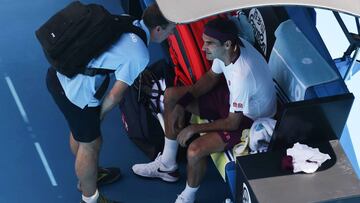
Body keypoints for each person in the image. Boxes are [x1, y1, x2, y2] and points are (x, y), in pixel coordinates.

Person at [132, 18, 277, 203]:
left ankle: (187, 197)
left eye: (209, 43)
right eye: (203, 41)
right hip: (231, 100)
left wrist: (194, 128)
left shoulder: (243, 75)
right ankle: (167, 165)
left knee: (195, 150)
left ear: (227, 45)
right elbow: (210, 78)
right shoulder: (227, 51)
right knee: (171, 96)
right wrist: (182, 103)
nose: (203, 48)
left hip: (247, 120)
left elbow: (233, 123)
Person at [46, 3, 175, 203]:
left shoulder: (127, 19)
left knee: (80, 130)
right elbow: (115, 95)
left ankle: (90, 174)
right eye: (171, 30)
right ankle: (90, 197)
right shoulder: (140, 53)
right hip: (75, 91)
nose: (172, 35)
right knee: (91, 143)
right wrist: (98, 117)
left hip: (57, 75)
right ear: (158, 29)